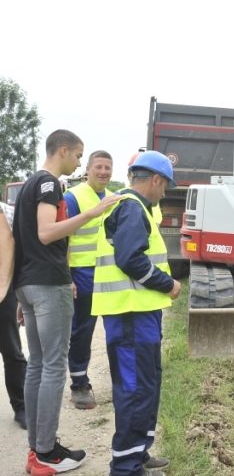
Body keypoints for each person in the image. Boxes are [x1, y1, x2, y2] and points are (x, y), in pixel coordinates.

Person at [14, 130, 122, 475]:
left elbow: (23, 238)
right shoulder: (49, 184)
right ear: (63, 151)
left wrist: (21, 289)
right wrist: (94, 212)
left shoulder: (30, 184)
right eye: (78, 156)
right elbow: (46, 233)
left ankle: (37, 449)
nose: (79, 162)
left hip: (29, 285)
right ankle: (46, 452)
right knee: (52, 368)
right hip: (48, 285)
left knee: (37, 365)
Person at [92, 150, 181, 476]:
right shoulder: (131, 208)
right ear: (155, 180)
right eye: (165, 185)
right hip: (130, 317)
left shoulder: (132, 207)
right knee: (134, 391)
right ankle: (126, 467)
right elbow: (130, 259)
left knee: (145, 386)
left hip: (137, 315)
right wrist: (167, 284)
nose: (165, 193)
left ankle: (137, 453)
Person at [63, 150, 114, 410]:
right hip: (82, 275)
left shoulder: (113, 198)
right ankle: (79, 384)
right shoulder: (73, 197)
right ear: (88, 170)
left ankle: (120, 382)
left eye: (108, 167)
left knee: (116, 330)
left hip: (109, 276)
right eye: (99, 167)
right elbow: (63, 238)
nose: (104, 172)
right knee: (82, 330)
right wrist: (67, 276)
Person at [0, 202, 27, 430]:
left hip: (3, 291)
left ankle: (22, 407)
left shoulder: (6, 212)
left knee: (12, 352)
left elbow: (15, 247)